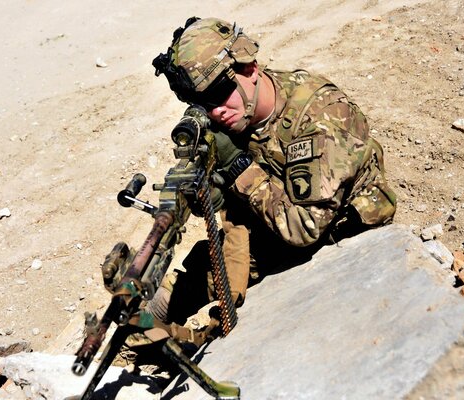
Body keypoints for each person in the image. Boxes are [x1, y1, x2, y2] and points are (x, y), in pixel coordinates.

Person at [149, 16, 397, 326]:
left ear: (249, 69)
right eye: (201, 103)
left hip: (341, 234)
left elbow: (302, 228)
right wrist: (210, 191)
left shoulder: (320, 117)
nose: (215, 111)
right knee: (196, 276)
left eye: (219, 93)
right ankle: (134, 337)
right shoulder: (236, 113)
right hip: (277, 223)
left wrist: (238, 169)